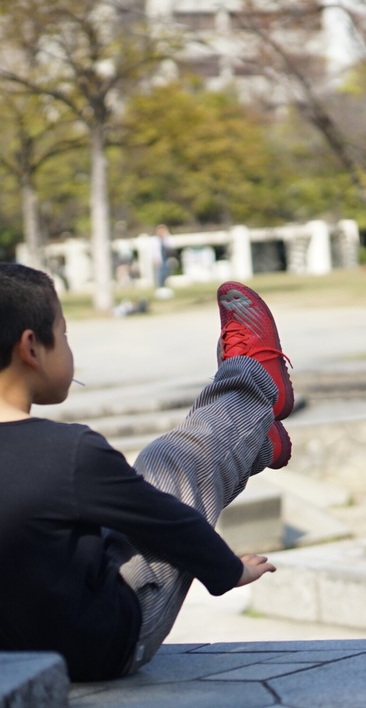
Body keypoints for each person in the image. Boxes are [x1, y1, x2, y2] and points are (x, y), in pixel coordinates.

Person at [0, 266, 295, 682]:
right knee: (168, 463)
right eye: (64, 335)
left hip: (12, 657)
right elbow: (167, 520)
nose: (68, 346)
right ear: (31, 348)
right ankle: (253, 384)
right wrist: (229, 571)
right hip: (104, 646)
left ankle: (257, 437)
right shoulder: (70, 454)